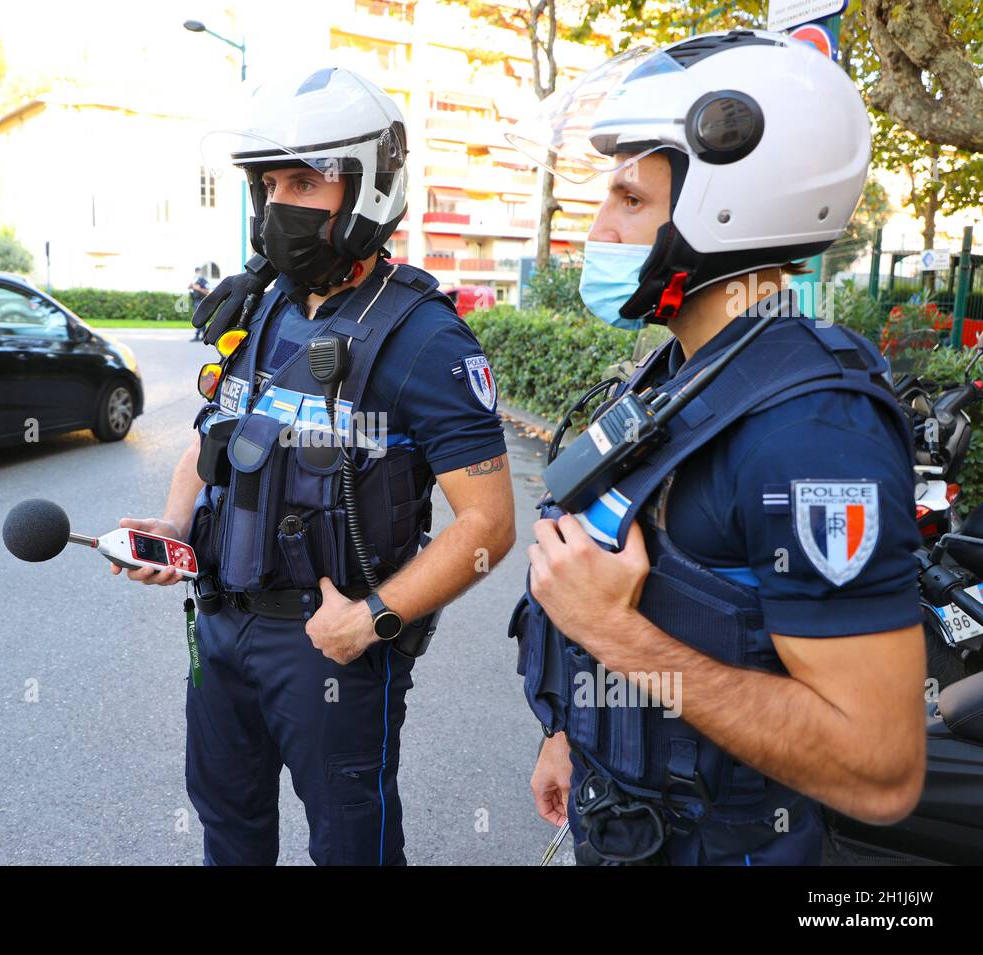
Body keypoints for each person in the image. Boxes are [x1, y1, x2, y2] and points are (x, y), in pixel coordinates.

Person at [507, 29, 926, 865]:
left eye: (629, 199)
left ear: (731, 205)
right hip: (622, 817)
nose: (600, 226)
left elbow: (880, 768)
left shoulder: (813, 433)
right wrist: (573, 736)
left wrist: (617, 634)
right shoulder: (684, 373)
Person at [115, 67, 516, 865]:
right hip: (221, 623)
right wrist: (172, 522)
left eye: (304, 180)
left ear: (369, 188)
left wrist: (372, 617)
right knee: (228, 829)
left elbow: (490, 523)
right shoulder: (261, 306)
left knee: (350, 846)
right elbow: (211, 434)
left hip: (330, 642)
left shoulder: (427, 341)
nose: (277, 207)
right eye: (269, 185)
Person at [187, 267, 210, 341]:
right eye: (196, 271)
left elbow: (207, 292)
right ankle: (205, 336)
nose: (197, 273)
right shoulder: (195, 280)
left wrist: (198, 288)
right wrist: (191, 285)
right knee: (201, 319)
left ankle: (197, 336)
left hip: (201, 301)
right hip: (195, 301)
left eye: (198, 271)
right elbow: (188, 287)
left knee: (198, 319)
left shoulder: (204, 281)